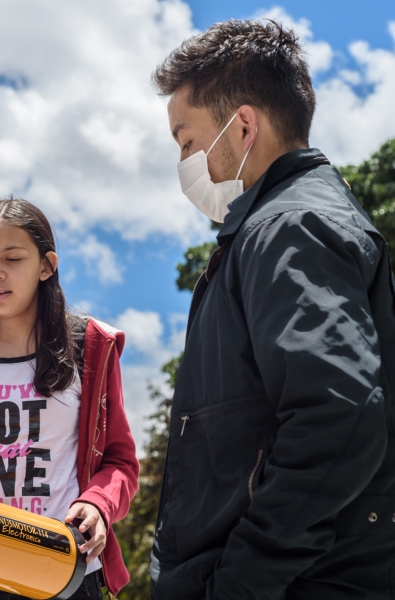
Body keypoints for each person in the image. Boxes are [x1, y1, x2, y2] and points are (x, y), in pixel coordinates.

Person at [150, 20, 395, 599]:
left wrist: (237, 584)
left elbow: (336, 419)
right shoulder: (276, 226)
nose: (185, 162)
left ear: (242, 125)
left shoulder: (290, 228)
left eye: (187, 142)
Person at [0, 198, 139, 600]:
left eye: (12, 258)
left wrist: (98, 506)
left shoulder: (91, 346)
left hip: (63, 567)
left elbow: (121, 463)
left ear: (46, 265)